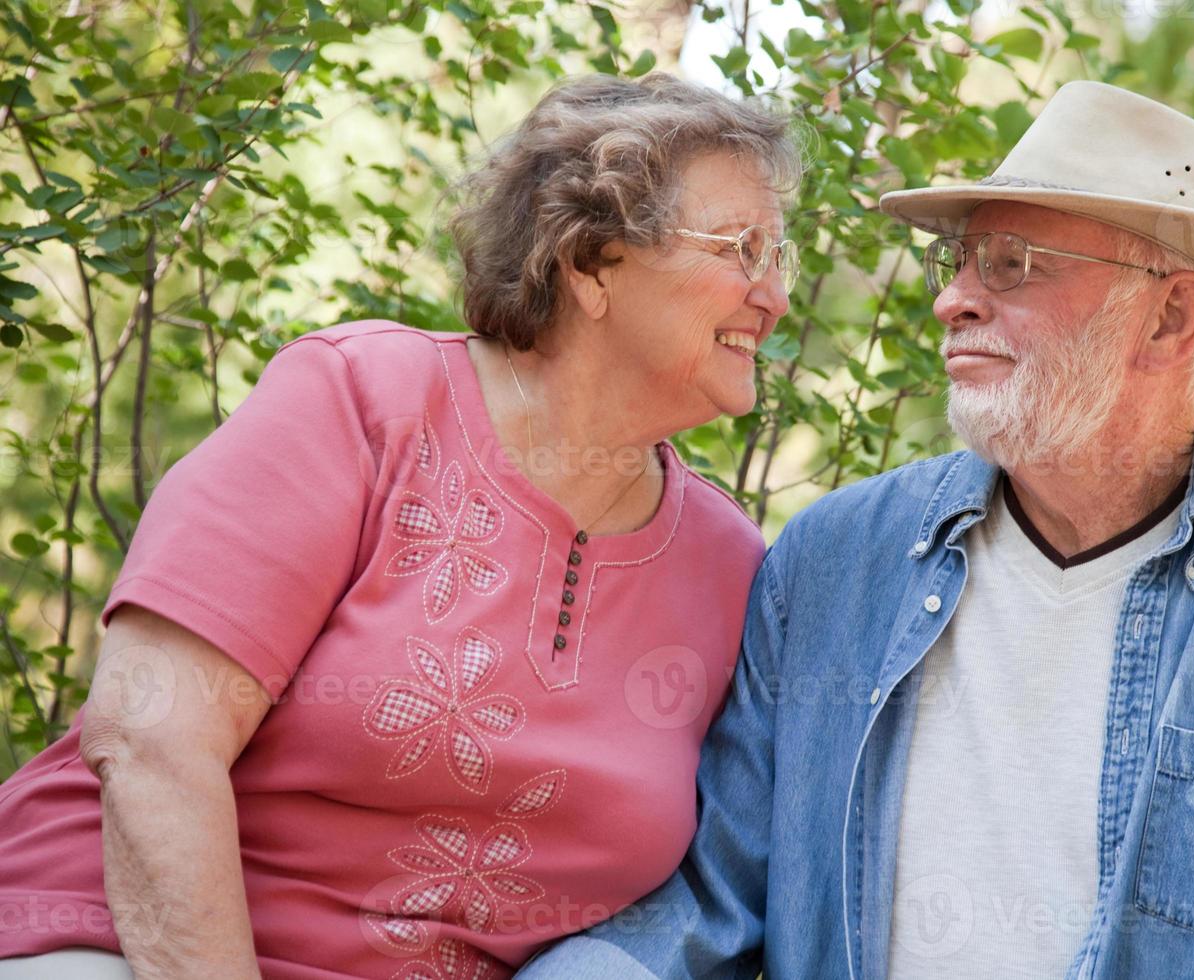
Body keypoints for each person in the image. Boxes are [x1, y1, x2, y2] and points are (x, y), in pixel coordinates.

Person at [515, 81, 1194, 978]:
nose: (952, 299)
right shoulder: (833, 563)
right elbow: (706, 911)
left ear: (1170, 318)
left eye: (1011, 265)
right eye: (960, 260)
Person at [0, 72, 801, 979]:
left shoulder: (732, 567)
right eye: (742, 248)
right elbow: (151, 736)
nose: (773, 297)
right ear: (589, 262)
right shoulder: (364, 402)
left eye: (781, 258)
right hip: (120, 943)